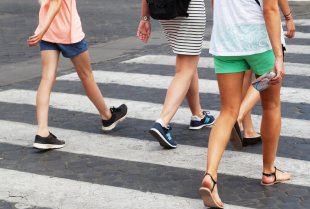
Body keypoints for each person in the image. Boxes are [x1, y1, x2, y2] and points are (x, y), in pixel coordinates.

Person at [199, 0, 291, 209]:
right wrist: (278, 55)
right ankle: (269, 171)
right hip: (260, 42)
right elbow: (269, 8)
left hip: (226, 40)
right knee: (271, 106)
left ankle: (210, 176)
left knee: (227, 112)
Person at [28, 0, 127, 150]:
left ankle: (42, 133)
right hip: (68, 33)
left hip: (48, 33)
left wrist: (43, 29)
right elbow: (56, 4)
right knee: (86, 76)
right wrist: (42, 30)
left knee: (46, 78)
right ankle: (107, 117)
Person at [137, 0, 215, 149]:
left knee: (189, 61)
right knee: (185, 69)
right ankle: (163, 122)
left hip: (166, 9)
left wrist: (144, 17)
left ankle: (198, 115)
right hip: (189, 9)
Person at [236, 0, 296, 148]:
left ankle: (248, 129)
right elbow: (271, 7)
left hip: (236, 27)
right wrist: (288, 17)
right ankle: (238, 115)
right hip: (262, 30)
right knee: (271, 75)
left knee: (246, 75)